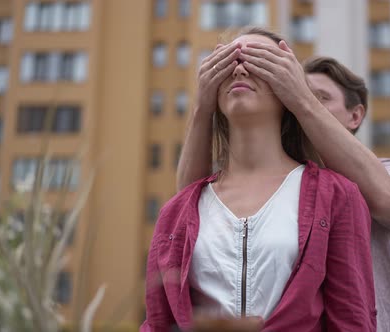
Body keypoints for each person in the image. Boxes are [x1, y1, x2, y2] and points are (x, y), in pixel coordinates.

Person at [141, 27, 376, 331]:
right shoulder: (176, 212)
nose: (240, 68)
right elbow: (157, 323)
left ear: (288, 89)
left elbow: (353, 320)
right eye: (227, 61)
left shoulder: (336, 196)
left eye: (258, 60)